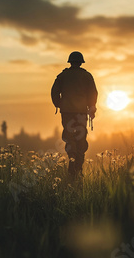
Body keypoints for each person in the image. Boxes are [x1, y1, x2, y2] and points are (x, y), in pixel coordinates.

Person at [51, 51, 98, 179]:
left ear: (70, 62)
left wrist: (59, 104)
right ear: (81, 62)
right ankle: (78, 169)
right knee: (81, 140)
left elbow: (54, 91)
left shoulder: (63, 75)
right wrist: (91, 108)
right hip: (81, 113)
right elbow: (93, 93)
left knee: (69, 138)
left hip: (67, 112)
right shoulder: (87, 76)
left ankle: (72, 167)